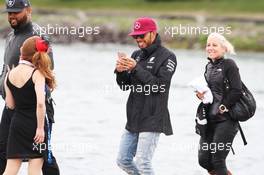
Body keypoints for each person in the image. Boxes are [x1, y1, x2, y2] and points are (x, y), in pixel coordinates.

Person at [0, 0, 60, 174]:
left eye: (16, 12)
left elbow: (48, 69)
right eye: (9, 12)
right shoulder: (11, 36)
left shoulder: (38, 36)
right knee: (3, 150)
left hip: (35, 107)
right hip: (12, 107)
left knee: (43, 155)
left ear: (28, 10)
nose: (12, 16)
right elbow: (5, 69)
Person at [115, 17, 177, 175]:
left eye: (141, 35)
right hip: (134, 116)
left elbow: (159, 86)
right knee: (123, 160)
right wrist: (120, 72)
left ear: (153, 33)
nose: (138, 39)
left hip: (153, 117)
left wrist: (135, 68)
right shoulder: (136, 55)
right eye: (135, 36)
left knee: (143, 162)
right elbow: (125, 86)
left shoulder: (168, 57)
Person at [196, 32, 242, 175]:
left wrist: (224, 106)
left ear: (224, 49)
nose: (210, 47)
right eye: (208, 45)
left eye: (214, 45)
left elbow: (237, 90)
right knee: (204, 160)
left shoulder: (230, 64)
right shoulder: (208, 67)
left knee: (217, 159)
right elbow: (211, 93)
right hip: (209, 119)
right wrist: (201, 95)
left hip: (226, 120)